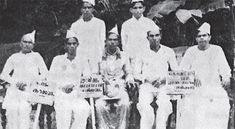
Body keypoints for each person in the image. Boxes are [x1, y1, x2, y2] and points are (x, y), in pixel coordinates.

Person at [179, 22, 231, 129]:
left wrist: (226, 78)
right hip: (195, 88)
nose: (202, 38)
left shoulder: (217, 50)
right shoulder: (191, 51)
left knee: (221, 105)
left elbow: (225, 69)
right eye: (199, 36)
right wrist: (191, 76)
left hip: (214, 87)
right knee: (192, 108)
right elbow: (182, 70)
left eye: (204, 35)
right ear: (196, 39)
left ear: (209, 37)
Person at [131, 27, 178, 129]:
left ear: (160, 37)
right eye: (151, 36)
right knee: (144, 105)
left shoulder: (168, 51)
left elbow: (176, 72)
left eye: (157, 35)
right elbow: (136, 73)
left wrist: (163, 80)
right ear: (147, 38)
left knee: (164, 104)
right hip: (147, 85)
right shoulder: (141, 52)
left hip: (164, 85)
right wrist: (146, 79)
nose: (154, 38)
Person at [0, 30, 48, 129]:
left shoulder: (36, 56)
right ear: (20, 43)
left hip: (30, 89)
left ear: (33, 45)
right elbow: (4, 74)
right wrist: (15, 82)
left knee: (23, 109)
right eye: (25, 42)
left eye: (29, 42)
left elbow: (45, 73)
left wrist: (32, 81)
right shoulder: (14, 57)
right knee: (12, 109)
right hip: (15, 89)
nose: (27, 45)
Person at [49, 30, 91, 129]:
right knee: (64, 111)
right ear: (65, 45)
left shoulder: (82, 60)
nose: (72, 46)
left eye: (74, 44)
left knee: (83, 109)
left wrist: (75, 86)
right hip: (61, 94)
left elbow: (87, 78)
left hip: (77, 94)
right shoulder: (57, 60)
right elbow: (51, 78)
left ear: (77, 45)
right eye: (69, 44)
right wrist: (62, 87)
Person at [95, 28, 131, 129]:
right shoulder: (99, 56)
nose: (112, 42)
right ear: (106, 41)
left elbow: (129, 72)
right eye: (110, 39)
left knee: (125, 104)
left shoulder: (124, 56)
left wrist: (129, 80)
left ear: (118, 42)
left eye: (115, 40)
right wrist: (100, 80)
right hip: (103, 88)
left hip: (119, 86)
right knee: (99, 105)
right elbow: (94, 73)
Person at [70, 0, 106, 74]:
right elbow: (72, 43)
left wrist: (100, 58)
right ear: (81, 9)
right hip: (80, 57)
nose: (86, 10)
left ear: (93, 9)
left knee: (94, 79)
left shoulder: (100, 23)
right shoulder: (75, 25)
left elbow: (102, 42)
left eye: (89, 7)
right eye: (84, 8)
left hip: (95, 56)